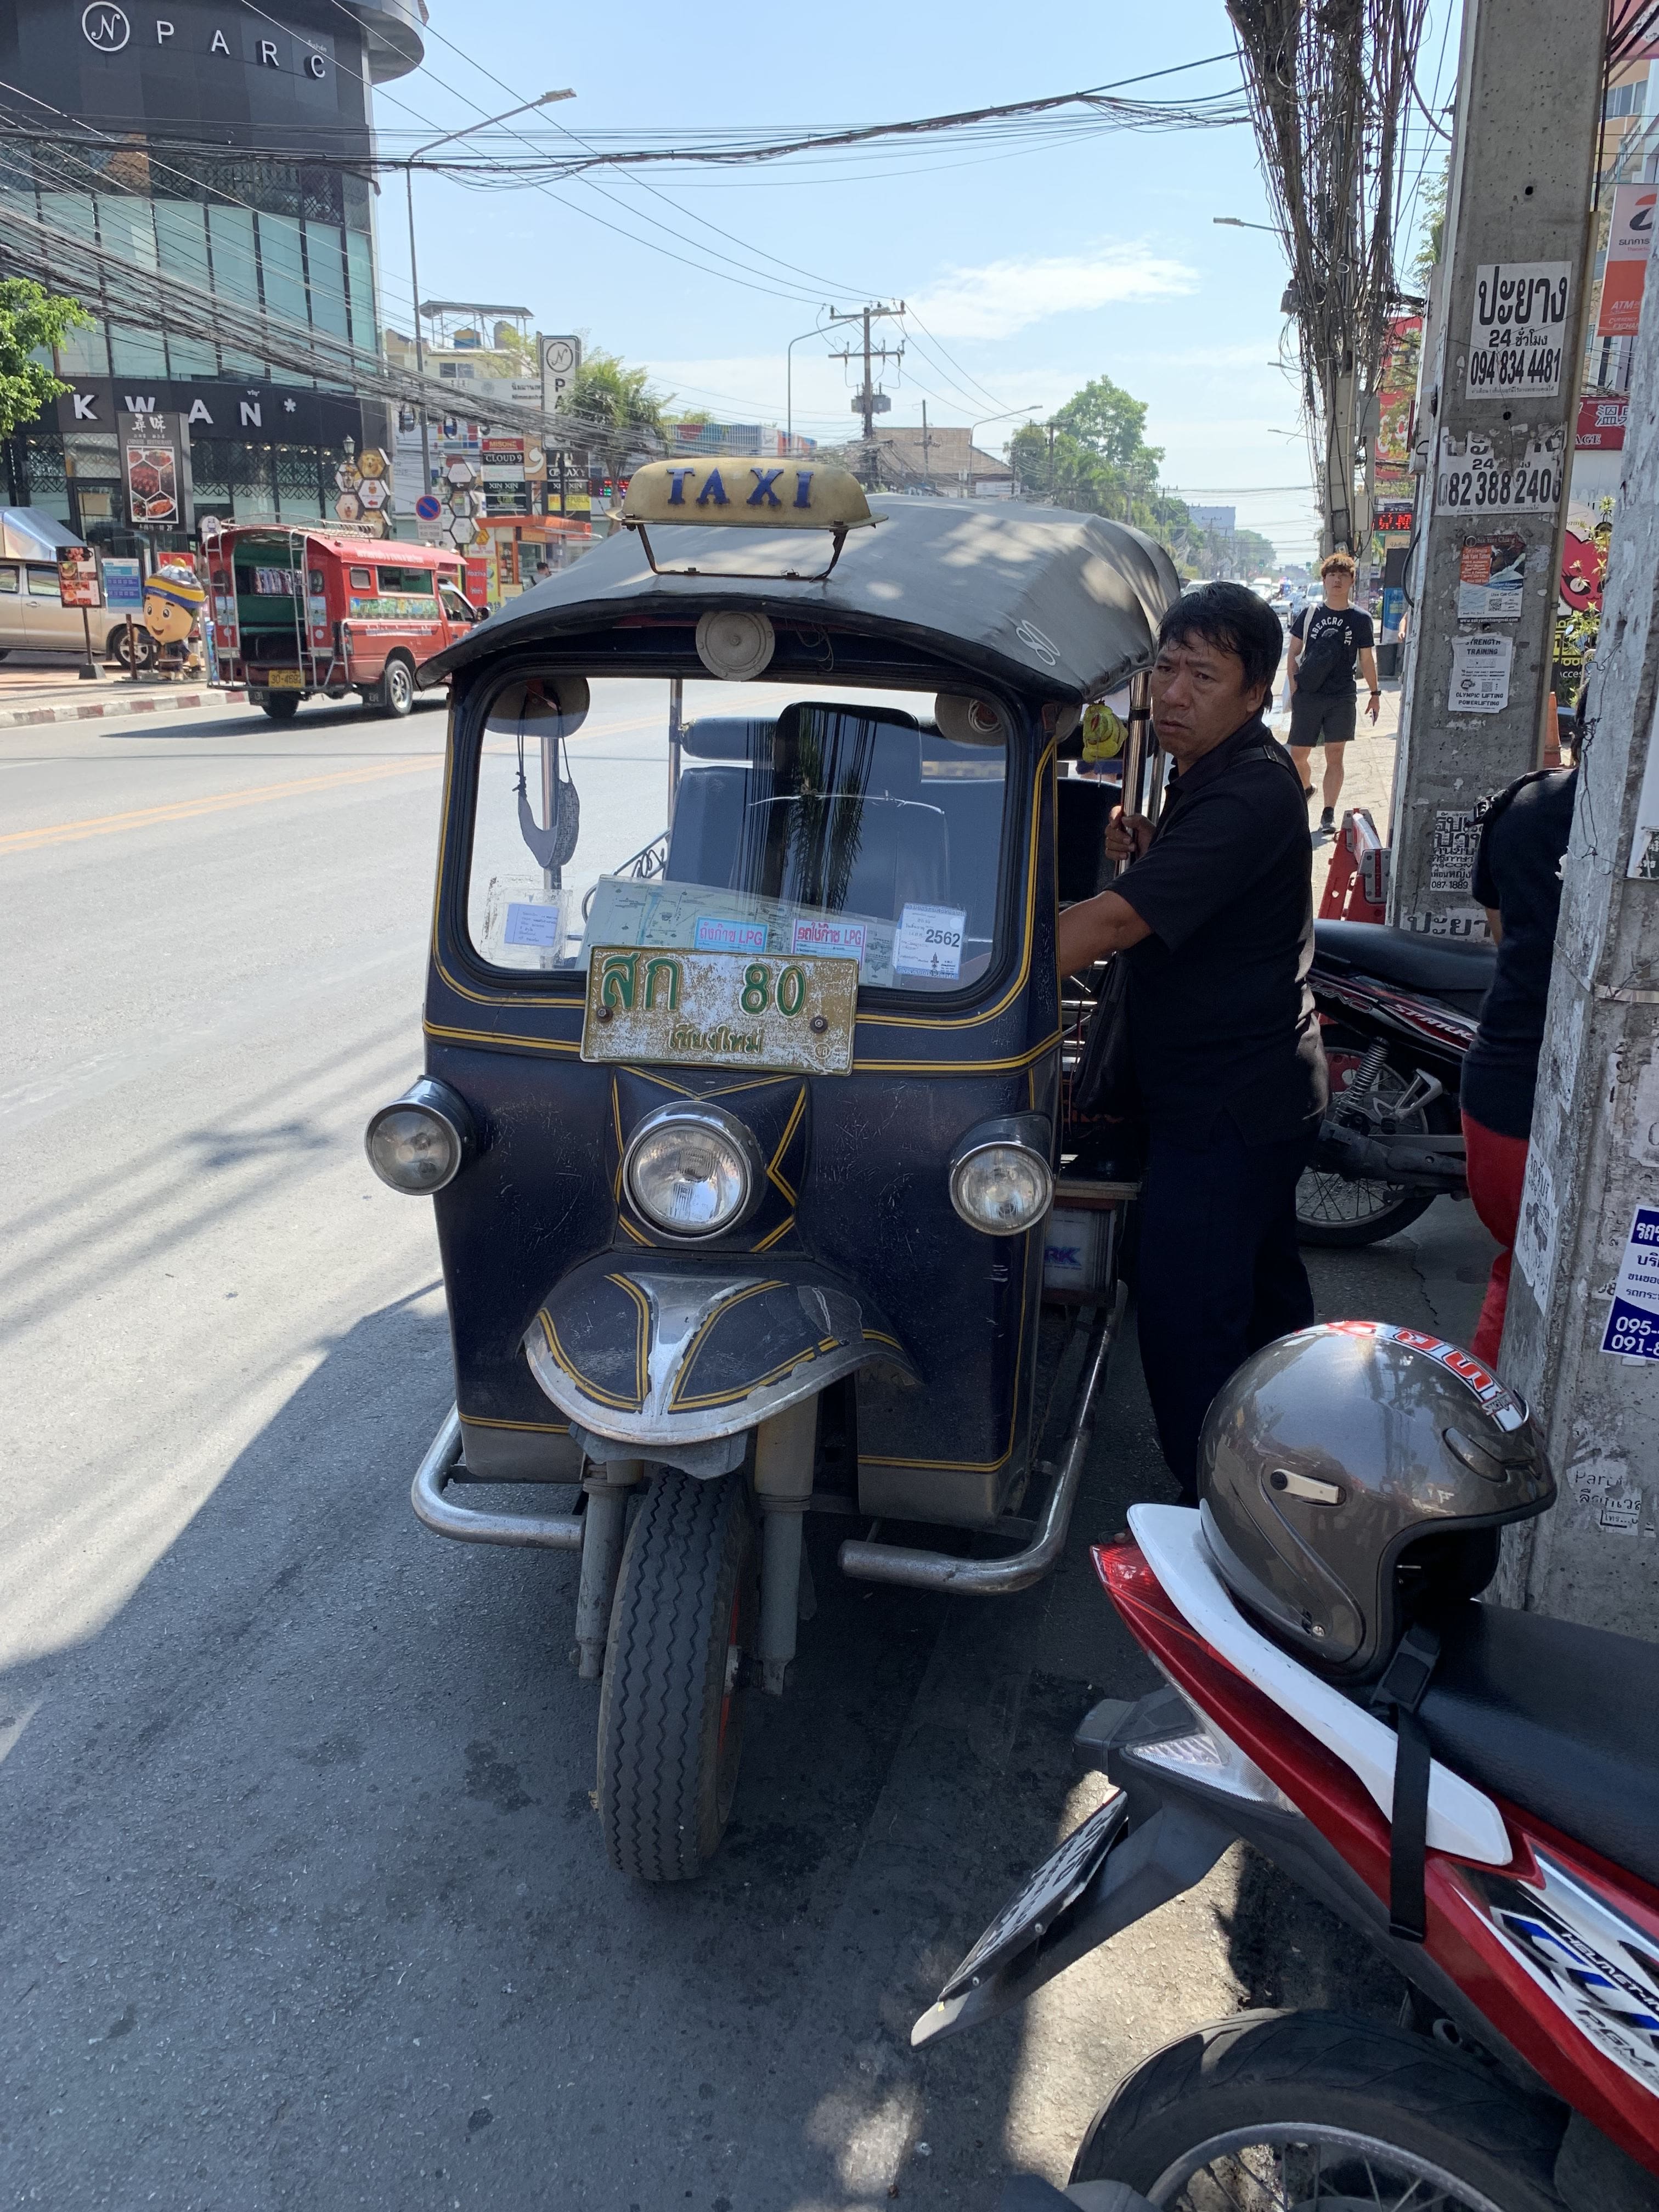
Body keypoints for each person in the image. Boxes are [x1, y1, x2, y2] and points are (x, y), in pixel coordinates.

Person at [1058, 583, 1327, 1502]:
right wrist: (1152, 843)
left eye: (1201, 676)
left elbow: (1116, 925)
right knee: (1259, 1304)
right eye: (1164, 669)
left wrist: (975, 968)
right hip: (1245, 1089)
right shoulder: (1211, 771)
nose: (1172, 694)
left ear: (1256, 692)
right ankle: (1293, 1477)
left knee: (1186, 1315)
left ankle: (1214, 1520)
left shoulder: (1248, 789)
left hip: (1225, 1105)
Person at [1459, 764, 1579, 1367]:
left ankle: (1483, 1440)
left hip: (1500, 1090)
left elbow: (1501, 929)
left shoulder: (1526, 804)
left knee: (1523, 1274)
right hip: (1559, 1111)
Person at [1285, 552, 1380, 835]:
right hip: (1310, 694)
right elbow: (1293, 653)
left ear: (1352, 581)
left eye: (1343, 575)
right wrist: (1294, 687)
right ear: (1324, 580)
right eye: (1332, 575)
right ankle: (1306, 788)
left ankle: (1328, 813)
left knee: (1335, 755)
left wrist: (1375, 693)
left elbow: (1366, 659)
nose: (1337, 580)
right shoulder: (1310, 614)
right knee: (1297, 756)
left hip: (1342, 696)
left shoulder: (1360, 619)